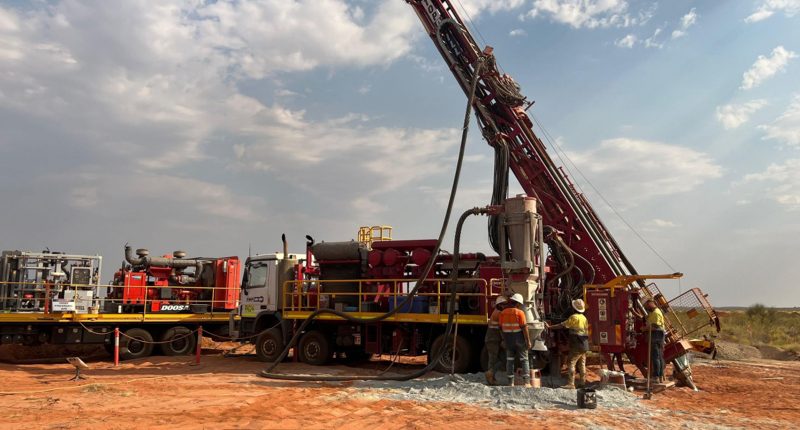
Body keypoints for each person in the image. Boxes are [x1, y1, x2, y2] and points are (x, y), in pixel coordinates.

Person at [548, 299, 589, 389]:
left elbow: (563, 325)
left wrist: (550, 327)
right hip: (585, 344)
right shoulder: (584, 318)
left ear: (574, 308)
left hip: (577, 344)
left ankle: (571, 384)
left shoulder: (574, 317)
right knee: (582, 363)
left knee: (571, 362)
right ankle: (582, 382)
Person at [498, 293, 532, 387]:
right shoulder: (520, 313)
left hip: (508, 340)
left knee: (509, 360)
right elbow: (525, 328)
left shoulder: (502, 313)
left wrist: (503, 340)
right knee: (524, 360)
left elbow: (500, 328)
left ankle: (510, 383)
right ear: (518, 304)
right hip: (519, 339)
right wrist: (528, 341)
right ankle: (527, 382)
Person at [484, 295, 508, 385]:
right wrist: (503, 340)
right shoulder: (499, 314)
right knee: (493, 359)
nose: (505, 306)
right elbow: (501, 329)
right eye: (504, 304)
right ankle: (490, 377)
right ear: (499, 305)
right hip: (492, 340)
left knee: (500, 359)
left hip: (494, 339)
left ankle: (491, 375)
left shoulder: (496, 312)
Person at [644, 298, 666, 383]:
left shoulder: (656, 313)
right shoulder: (654, 312)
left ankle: (656, 377)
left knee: (656, 356)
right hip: (658, 335)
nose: (646, 307)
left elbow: (655, 326)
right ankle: (659, 376)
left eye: (646, 305)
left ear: (651, 303)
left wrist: (644, 329)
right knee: (659, 356)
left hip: (656, 335)